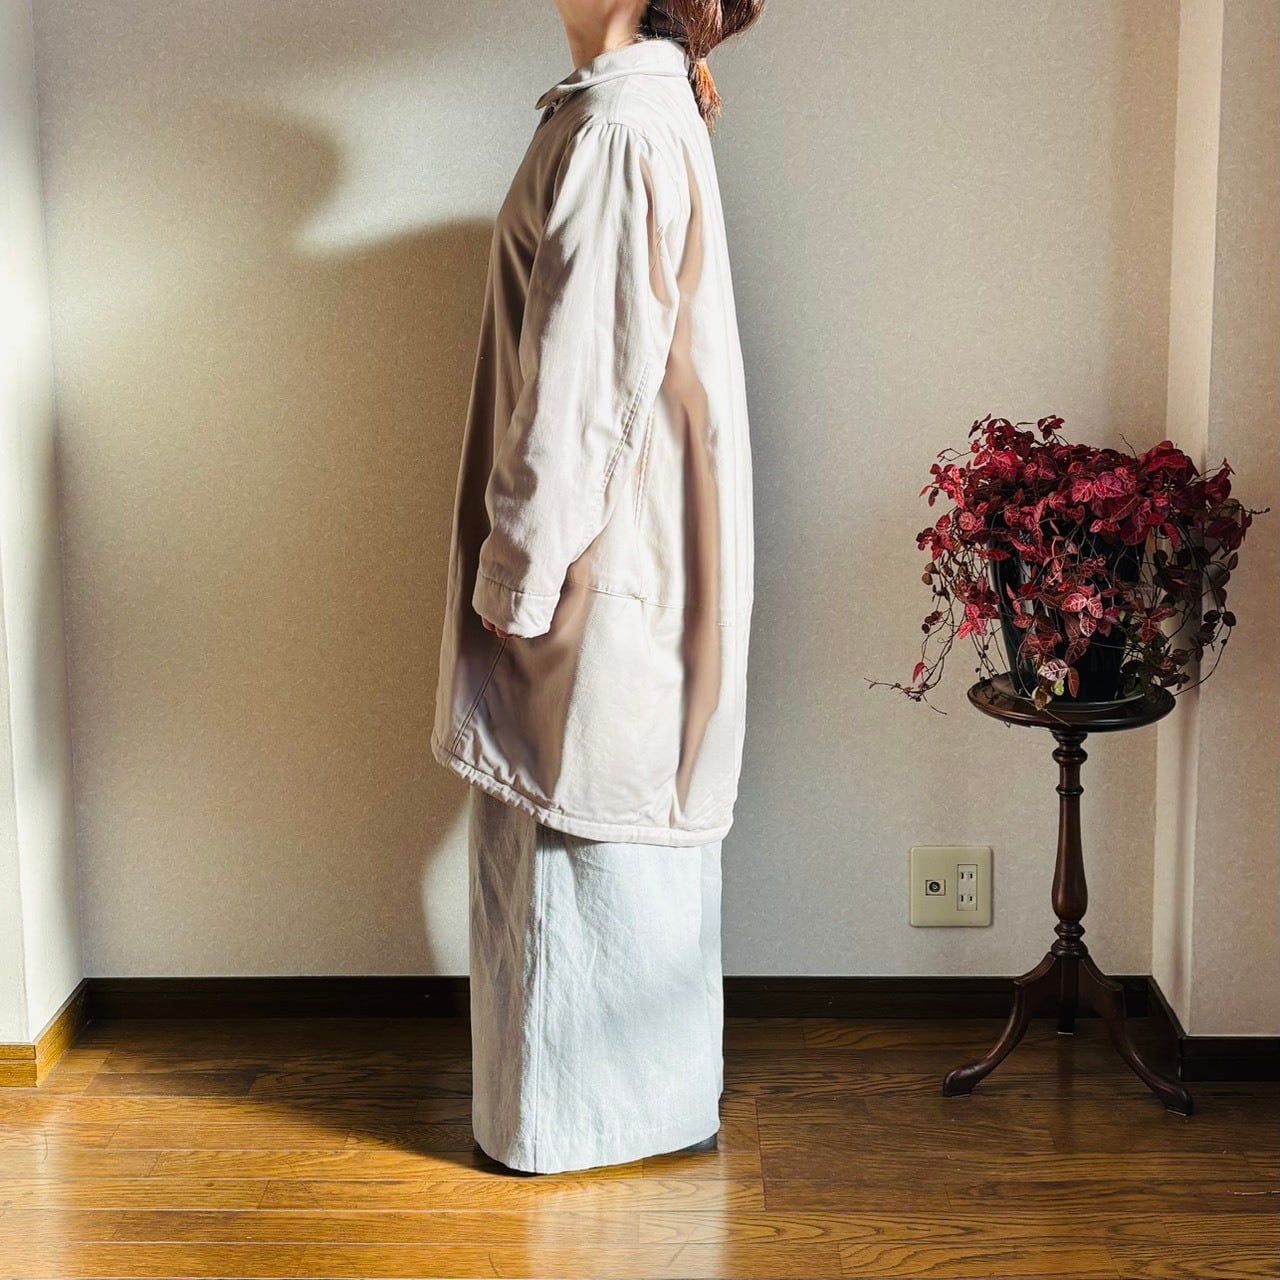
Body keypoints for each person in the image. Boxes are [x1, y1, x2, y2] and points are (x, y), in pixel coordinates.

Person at [431, 0, 764, 1175]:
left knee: (578, 829)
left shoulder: (620, 123)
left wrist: (516, 579)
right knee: (597, 833)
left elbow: (584, 390)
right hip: (621, 547)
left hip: (596, 555)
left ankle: (576, 1130)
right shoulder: (625, 108)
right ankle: (624, 1118)